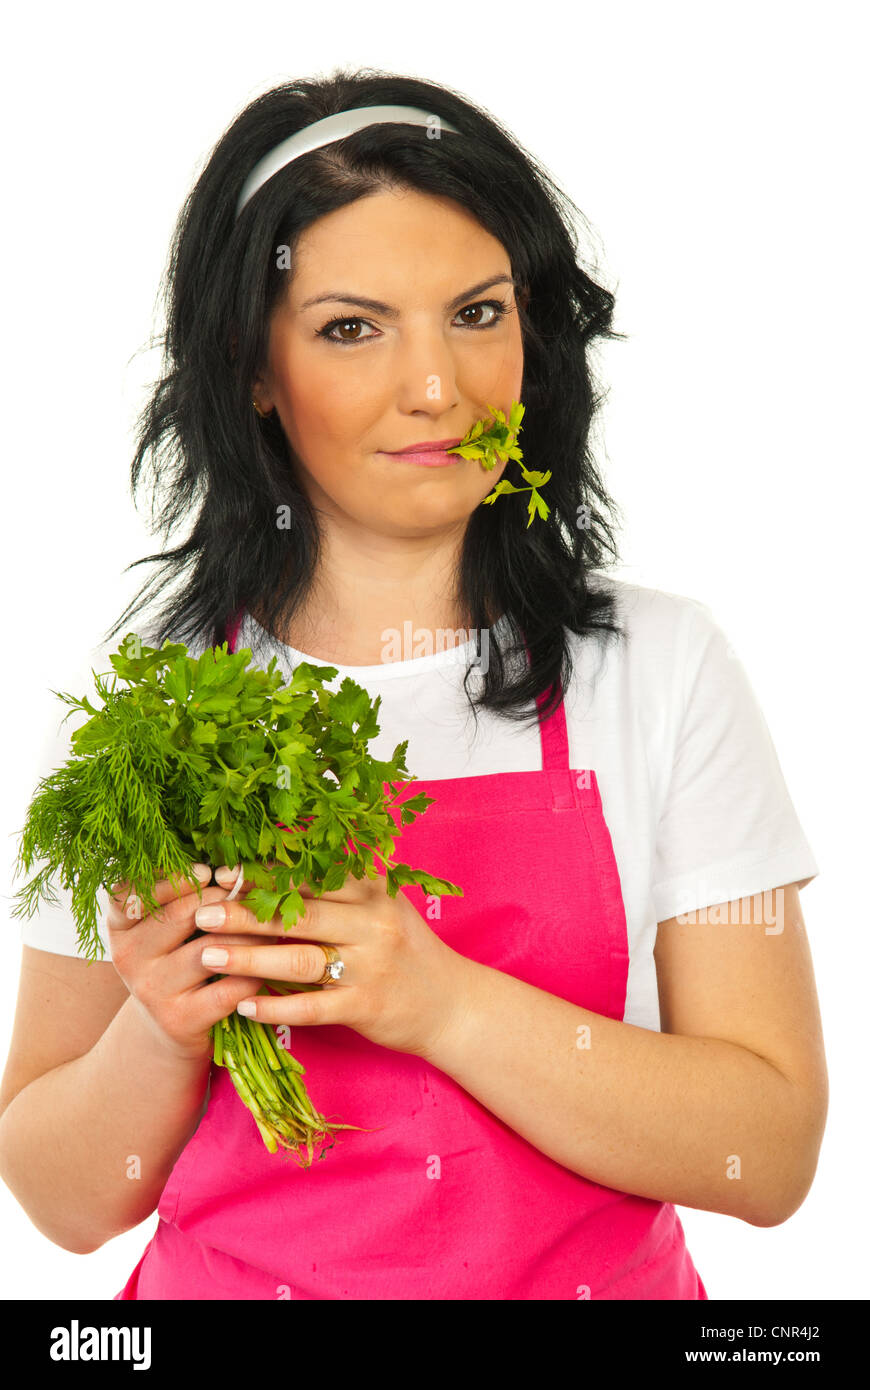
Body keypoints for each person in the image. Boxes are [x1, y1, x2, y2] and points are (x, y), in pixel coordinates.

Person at [0, 69, 828, 1300]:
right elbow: (66, 1201)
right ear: (252, 369)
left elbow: (766, 1153)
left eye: (479, 313)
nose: (439, 386)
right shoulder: (159, 712)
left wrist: (435, 1000)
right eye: (352, 327)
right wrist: (163, 1027)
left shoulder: (658, 670)